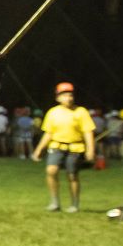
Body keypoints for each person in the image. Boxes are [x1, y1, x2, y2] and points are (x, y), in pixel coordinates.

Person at [31, 82, 96, 213]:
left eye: (70, 95)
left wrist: (90, 150)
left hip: (75, 148)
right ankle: (55, 202)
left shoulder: (81, 112)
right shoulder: (53, 113)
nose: (69, 98)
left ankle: (75, 204)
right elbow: (48, 133)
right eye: (65, 95)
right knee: (51, 171)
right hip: (56, 147)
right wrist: (39, 150)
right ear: (58, 98)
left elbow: (88, 132)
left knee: (72, 175)